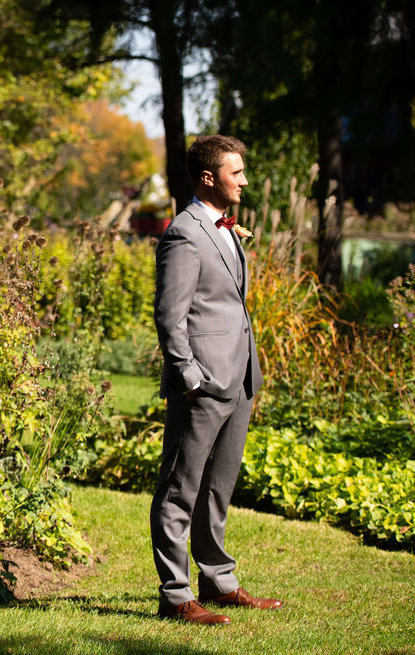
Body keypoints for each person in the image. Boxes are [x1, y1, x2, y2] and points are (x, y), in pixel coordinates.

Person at [150, 135, 282, 625]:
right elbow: (170, 314)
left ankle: (219, 583)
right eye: (237, 173)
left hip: (240, 376)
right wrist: (189, 377)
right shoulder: (184, 232)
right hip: (203, 383)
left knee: (217, 488)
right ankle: (176, 594)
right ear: (209, 178)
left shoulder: (223, 227)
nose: (245, 181)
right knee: (180, 490)